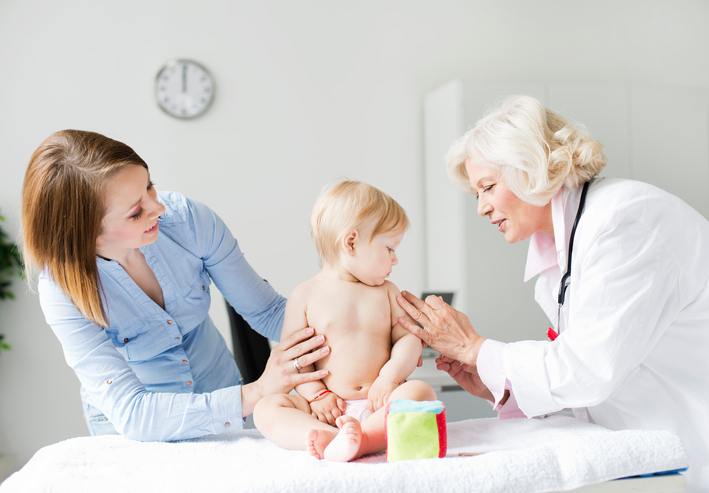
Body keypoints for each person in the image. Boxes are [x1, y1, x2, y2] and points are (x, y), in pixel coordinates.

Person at [396, 95, 709, 491]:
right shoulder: (565, 247)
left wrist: (477, 349)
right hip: (645, 449)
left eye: (487, 187)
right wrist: (500, 383)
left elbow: (587, 370)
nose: (481, 208)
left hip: (691, 449)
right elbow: (592, 377)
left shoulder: (624, 220)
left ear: (531, 167)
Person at [21, 130, 330, 442]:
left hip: (225, 396)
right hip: (134, 433)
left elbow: (269, 312)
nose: (158, 208)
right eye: (135, 212)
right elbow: (135, 414)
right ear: (88, 235)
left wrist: (358, 329)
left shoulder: (188, 220)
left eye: (149, 187)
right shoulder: (61, 291)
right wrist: (260, 390)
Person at [253, 180, 436, 461]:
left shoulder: (388, 293)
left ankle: (364, 439)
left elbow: (409, 338)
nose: (395, 259)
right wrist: (316, 396)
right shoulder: (304, 295)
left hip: (379, 402)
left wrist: (390, 378)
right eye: (390, 249)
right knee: (266, 408)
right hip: (326, 409)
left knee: (421, 391)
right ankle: (326, 435)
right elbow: (295, 361)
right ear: (351, 242)